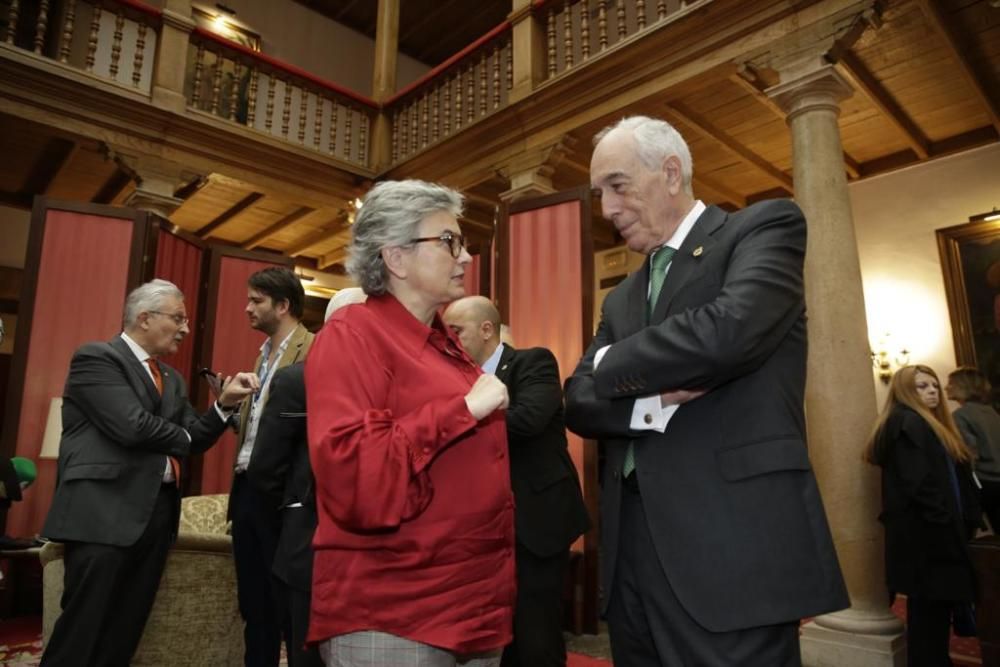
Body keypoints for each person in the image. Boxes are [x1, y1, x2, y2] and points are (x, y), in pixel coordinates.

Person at [564, 115, 848, 665]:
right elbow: (577, 401)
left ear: (671, 173)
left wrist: (607, 362)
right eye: (600, 194)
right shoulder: (621, 298)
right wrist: (651, 401)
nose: (607, 210)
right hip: (632, 559)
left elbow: (728, 332)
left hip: (732, 548)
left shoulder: (763, 228)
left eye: (617, 187)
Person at [305, 179, 514, 666]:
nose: (464, 257)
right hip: (395, 612)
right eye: (448, 241)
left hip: (474, 606)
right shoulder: (352, 336)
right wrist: (461, 410)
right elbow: (357, 479)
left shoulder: (445, 343)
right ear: (395, 257)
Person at [40, 279, 258, 667]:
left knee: (125, 630)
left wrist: (223, 406)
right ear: (144, 318)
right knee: (81, 632)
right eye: (178, 318)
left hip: (156, 518)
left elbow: (193, 440)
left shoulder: (172, 378)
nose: (186, 329)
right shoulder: (97, 358)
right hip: (102, 514)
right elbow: (132, 426)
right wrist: (185, 434)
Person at [443, 296, 590, 667]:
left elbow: (528, 421)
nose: (448, 340)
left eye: (455, 331)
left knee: (535, 634)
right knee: (496, 637)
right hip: (482, 525)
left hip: (537, 520)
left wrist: (459, 417)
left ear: (486, 329)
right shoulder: (454, 379)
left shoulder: (532, 361)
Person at [247, 287, 366, 667]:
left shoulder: (399, 379)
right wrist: (299, 502)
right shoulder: (297, 380)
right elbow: (266, 469)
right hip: (309, 547)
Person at [864, 365, 980, 666]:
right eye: (921, 386)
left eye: (934, 385)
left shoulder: (923, 423)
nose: (931, 391)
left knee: (932, 617)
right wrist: (946, 527)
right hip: (929, 540)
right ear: (904, 391)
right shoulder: (908, 423)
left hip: (932, 536)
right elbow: (922, 486)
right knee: (929, 620)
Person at [231, 266, 314, 667]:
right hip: (247, 488)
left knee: (287, 607)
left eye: (256, 301)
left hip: (285, 496)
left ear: (283, 306)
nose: (247, 308)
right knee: (254, 604)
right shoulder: (260, 357)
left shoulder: (313, 350)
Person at [947, 366, 1000, 532]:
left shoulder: (960, 415)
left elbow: (969, 453)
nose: (946, 387)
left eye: (951, 383)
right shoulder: (992, 412)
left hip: (984, 483)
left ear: (963, 386)